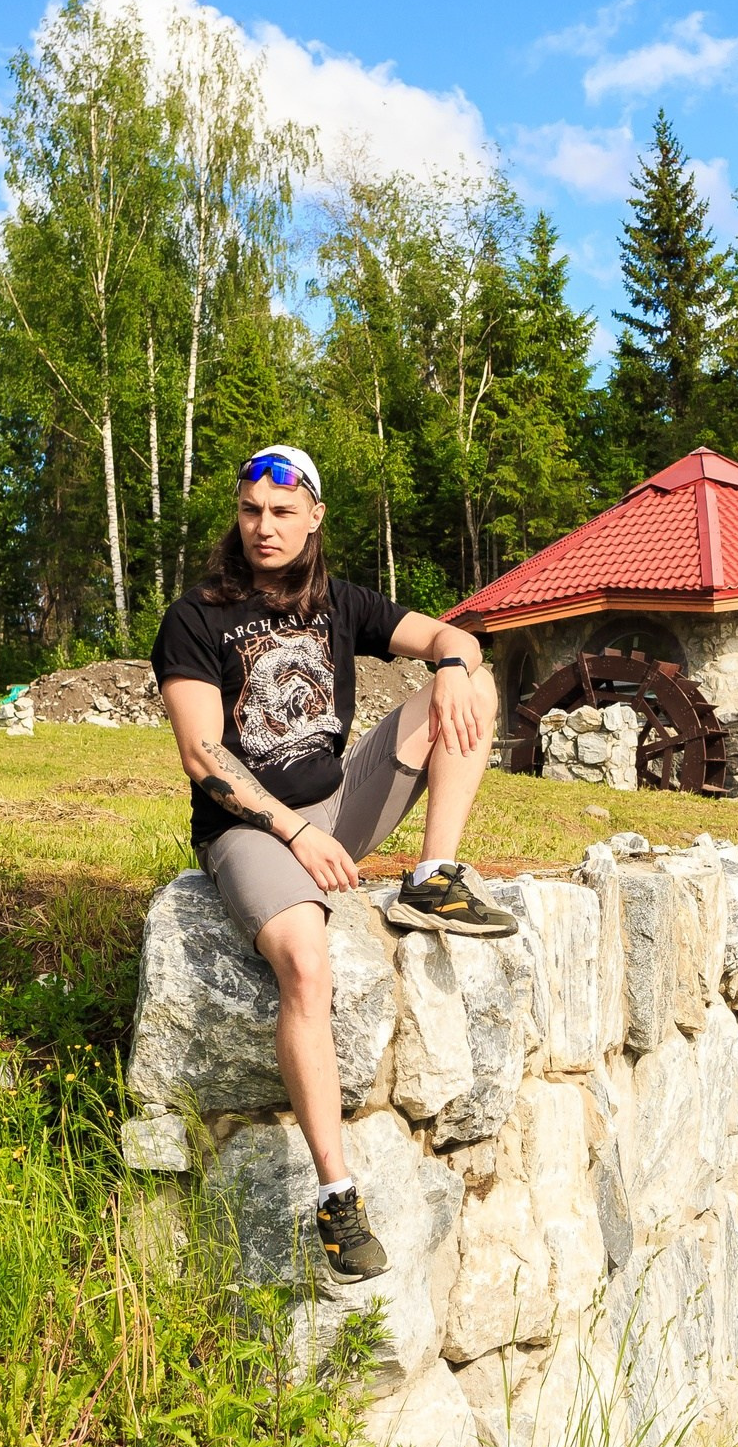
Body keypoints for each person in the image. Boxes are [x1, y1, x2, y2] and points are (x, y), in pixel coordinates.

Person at [155, 443, 517, 1284]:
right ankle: (336, 1195)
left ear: (313, 517)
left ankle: (433, 876)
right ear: (237, 517)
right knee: (305, 964)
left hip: (337, 804)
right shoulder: (197, 616)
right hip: (248, 828)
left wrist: (457, 660)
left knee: (469, 685)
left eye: (282, 512)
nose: (264, 526)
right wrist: (294, 833)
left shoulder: (337, 603)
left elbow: (446, 632)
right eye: (251, 511)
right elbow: (205, 755)